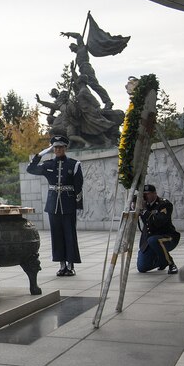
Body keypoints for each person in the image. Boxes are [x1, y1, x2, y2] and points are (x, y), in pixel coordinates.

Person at [26, 135, 83, 276]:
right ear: (53, 149)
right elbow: (30, 169)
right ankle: (61, 264)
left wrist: (78, 206)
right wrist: (40, 154)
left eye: (60, 147)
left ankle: (70, 265)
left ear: (65, 148)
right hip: (53, 205)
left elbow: (79, 186)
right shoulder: (48, 164)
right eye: (55, 147)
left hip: (68, 204)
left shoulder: (74, 164)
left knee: (70, 235)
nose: (58, 149)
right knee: (56, 235)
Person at [61, 31, 113, 109]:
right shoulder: (77, 56)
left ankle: (108, 101)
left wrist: (68, 34)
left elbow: (78, 36)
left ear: (75, 45)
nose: (72, 50)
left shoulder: (81, 47)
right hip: (82, 70)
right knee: (80, 87)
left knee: (94, 85)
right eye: (71, 49)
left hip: (86, 67)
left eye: (72, 47)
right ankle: (89, 106)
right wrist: (72, 71)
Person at [136, 184, 180, 274]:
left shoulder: (165, 204)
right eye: (144, 194)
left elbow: (159, 222)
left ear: (155, 193)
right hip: (149, 241)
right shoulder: (144, 205)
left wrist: (144, 211)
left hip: (167, 238)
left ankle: (171, 264)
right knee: (142, 267)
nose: (145, 196)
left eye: (147, 194)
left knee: (153, 240)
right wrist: (135, 207)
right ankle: (162, 261)